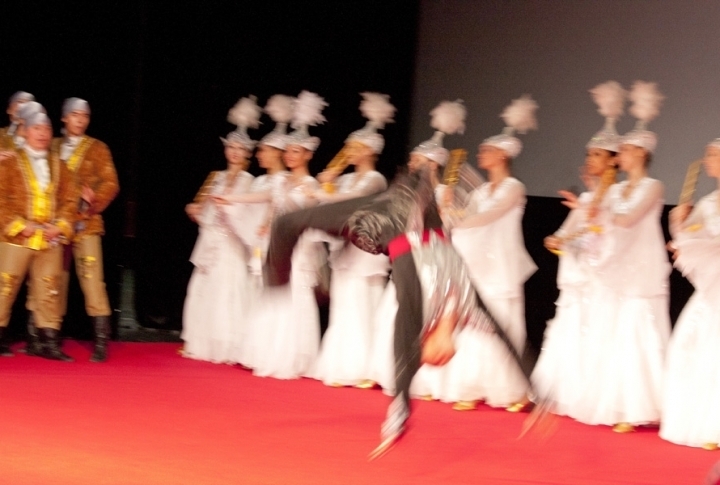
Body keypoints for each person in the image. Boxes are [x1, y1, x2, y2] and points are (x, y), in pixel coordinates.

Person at [428, 96, 538, 411]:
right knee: (474, 323)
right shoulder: (480, 192)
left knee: (502, 322)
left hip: (500, 265)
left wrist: (457, 214)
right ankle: (472, 385)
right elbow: (459, 221)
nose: (481, 154)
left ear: (502, 155)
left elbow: (485, 218)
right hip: (477, 264)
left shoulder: (512, 188)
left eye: (487, 151)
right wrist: (446, 204)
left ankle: (511, 389)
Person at [574, 81, 671, 433]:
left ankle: (639, 405)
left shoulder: (653, 186)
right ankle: (616, 403)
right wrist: (592, 208)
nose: (620, 156)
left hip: (641, 266)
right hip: (615, 265)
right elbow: (600, 221)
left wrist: (597, 211)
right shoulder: (613, 188)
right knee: (613, 329)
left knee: (637, 329)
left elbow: (628, 219)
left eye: (626, 151)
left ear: (641, 154)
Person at [530, 81, 622, 416]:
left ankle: (597, 397)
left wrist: (586, 224)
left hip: (603, 276)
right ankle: (567, 393)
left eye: (597, 154)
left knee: (598, 330)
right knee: (571, 327)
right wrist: (556, 241)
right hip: (579, 277)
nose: (590, 159)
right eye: (589, 154)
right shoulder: (585, 199)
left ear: (614, 161)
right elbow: (571, 235)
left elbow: (607, 233)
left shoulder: (616, 196)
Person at [310, 92, 392, 387]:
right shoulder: (344, 179)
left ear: (369, 151)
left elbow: (354, 201)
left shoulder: (375, 179)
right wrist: (328, 185)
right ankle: (343, 363)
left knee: (362, 302)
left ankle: (367, 367)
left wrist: (323, 191)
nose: (349, 152)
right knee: (345, 303)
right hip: (346, 249)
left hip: (367, 250)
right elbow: (332, 206)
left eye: (355, 147)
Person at [181, 97, 260, 363]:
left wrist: (230, 210)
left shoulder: (250, 181)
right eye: (231, 147)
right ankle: (201, 341)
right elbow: (204, 210)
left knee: (230, 288)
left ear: (247, 154)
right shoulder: (215, 177)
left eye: (240, 149)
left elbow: (250, 213)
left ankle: (229, 345)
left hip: (232, 240)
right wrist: (195, 210)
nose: (235, 152)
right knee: (205, 287)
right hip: (211, 238)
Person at [42, 98, 119, 362]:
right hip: (55, 226)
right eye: (74, 115)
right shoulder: (51, 146)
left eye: (84, 115)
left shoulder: (97, 148)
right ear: (64, 118)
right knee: (54, 281)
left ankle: (101, 341)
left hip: (86, 223)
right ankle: (47, 338)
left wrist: (94, 198)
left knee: (92, 280)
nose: (80, 120)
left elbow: (111, 183)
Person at [0, 109, 78, 361]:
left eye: (46, 129)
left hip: (49, 238)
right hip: (17, 238)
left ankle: (48, 343)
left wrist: (61, 225)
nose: (42, 134)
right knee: (5, 287)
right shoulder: (10, 163)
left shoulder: (59, 165)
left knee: (49, 289)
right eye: (36, 129)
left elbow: (69, 200)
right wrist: (21, 225)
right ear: (25, 132)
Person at [660, 139, 720, 449]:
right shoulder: (709, 202)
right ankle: (708, 422)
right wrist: (678, 223)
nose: (707, 159)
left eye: (713, 154)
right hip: (712, 289)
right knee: (696, 345)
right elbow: (689, 236)